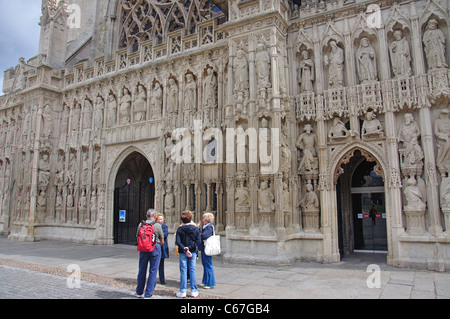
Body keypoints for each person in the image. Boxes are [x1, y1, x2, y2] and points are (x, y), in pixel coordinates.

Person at [135, 209, 164, 299]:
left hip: (143, 249)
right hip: (155, 248)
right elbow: (162, 239)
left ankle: (139, 292)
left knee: (142, 270)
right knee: (153, 271)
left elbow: (137, 237)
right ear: (155, 216)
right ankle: (148, 294)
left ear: (146, 216)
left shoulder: (141, 224)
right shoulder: (157, 226)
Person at [175, 210, 202, 298]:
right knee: (192, 270)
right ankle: (194, 290)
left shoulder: (180, 229)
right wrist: (190, 248)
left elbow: (177, 241)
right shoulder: (195, 229)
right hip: (192, 252)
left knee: (183, 271)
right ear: (191, 219)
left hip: (183, 252)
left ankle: (182, 291)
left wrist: (184, 248)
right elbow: (198, 241)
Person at [198, 212, 217, 289]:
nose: (203, 220)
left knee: (208, 265)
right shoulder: (207, 226)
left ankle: (210, 282)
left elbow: (205, 236)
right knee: (205, 264)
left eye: (204, 218)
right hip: (204, 248)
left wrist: (199, 234)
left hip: (207, 248)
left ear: (207, 219)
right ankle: (205, 281)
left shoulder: (209, 227)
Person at [156, 213, 169, 285]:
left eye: (162, 219)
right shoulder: (154, 226)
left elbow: (165, 234)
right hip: (155, 247)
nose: (161, 220)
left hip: (162, 247)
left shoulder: (165, 227)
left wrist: (159, 235)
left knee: (161, 264)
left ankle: (162, 279)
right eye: (160, 219)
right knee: (154, 264)